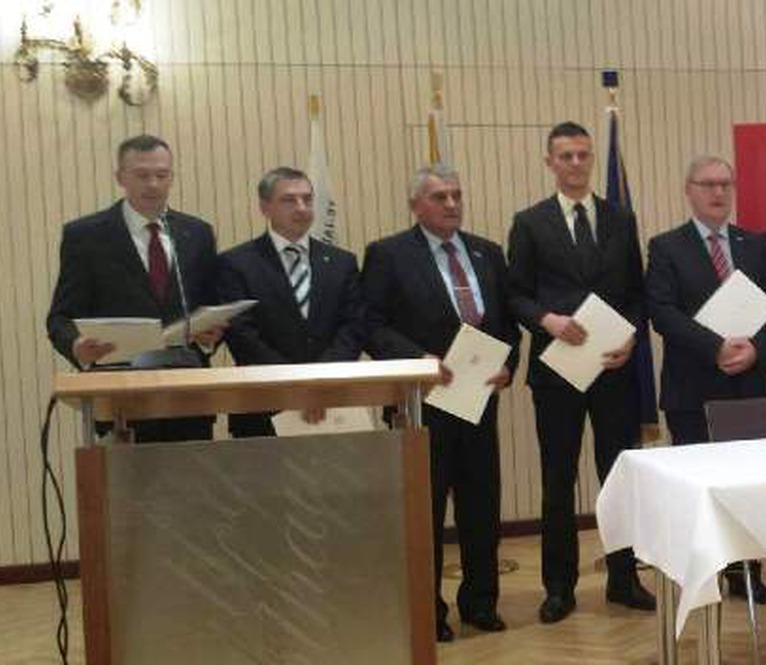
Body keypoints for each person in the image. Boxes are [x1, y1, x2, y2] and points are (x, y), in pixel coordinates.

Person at [362, 165, 520, 642]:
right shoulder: (388, 254)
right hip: (421, 404)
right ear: (416, 206)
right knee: (424, 512)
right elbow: (371, 324)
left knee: (481, 508)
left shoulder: (487, 252)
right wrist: (416, 359)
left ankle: (481, 603)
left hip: (478, 402)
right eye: (439, 197)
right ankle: (427, 612)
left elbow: (508, 324)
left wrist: (508, 364)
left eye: (456, 195)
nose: (451, 204)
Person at [506, 121, 654, 623]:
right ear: (549, 162)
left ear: (592, 159)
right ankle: (558, 587)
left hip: (614, 369)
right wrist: (546, 320)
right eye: (566, 156)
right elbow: (515, 294)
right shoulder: (530, 223)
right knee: (558, 480)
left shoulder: (620, 218)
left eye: (583, 155)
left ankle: (624, 578)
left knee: (619, 478)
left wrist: (631, 336)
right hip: (558, 372)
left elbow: (636, 292)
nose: (575, 163)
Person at [645, 155, 766, 603]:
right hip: (693, 388)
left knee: (747, 486)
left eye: (725, 183)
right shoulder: (666, 246)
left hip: (749, 385)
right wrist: (715, 347)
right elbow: (662, 312)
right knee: (698, 488)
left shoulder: (755, 244)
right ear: (689, 190)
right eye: (708, 184)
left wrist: (757, 349)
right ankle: (702, 573)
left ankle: (747, 574)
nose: (718, 192)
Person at [46, 134, 222, 443]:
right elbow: (60, 317)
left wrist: (211, 336)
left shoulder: (197, 233)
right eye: (142, 175)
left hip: (187, 393)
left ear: (172, 177)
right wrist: (77, 346)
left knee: (192, 476)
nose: (153, 184)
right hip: (120, 395)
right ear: (120, 178)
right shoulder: (86, 236)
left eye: (162, 175)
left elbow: (210, 306)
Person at [216, 167, 365, 437]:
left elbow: (354, 327)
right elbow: (242, 335)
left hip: (332, 400)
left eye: (307, 199)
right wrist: (295, 386)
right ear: (265, 207)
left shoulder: (342, 262)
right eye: (289, 200)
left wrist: (320, 383)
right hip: (264, 405)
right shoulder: (237, 264)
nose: (301, 208)